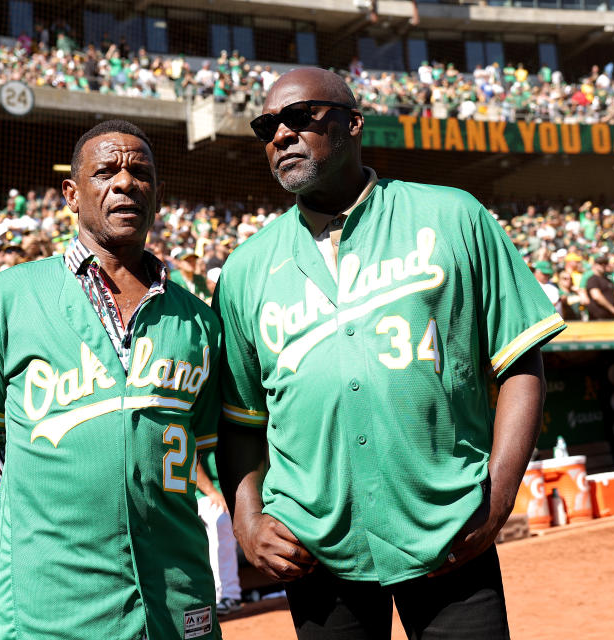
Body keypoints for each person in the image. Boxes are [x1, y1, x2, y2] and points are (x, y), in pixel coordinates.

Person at [214, 67, 565, 639]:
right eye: (266, 125)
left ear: (353, 124)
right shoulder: (245, 269)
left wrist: (498, 499)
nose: (280, 134)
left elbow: (520, 363)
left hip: (449, 531)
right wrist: (248, 522)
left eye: (300, 117)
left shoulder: (452, 216)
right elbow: (241, 420)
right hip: (316, 547)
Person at [0, 120, 222, 640]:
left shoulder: (198, 320)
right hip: (54, 596)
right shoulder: (6, 296)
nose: (124, 183)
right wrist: (31, 524)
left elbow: (204, 442)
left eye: (140, 172)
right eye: (106, 172)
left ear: (157, 195)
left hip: (177, 586)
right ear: (72, 194)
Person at [196, 453, 243, 616]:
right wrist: (212, 492)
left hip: (232, 491)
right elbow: (191, 461)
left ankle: (230, 595)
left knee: (221, 518)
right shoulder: (193, 426)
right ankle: (221, 594)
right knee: (220, 517)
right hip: (202, 493)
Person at [584, 255, 614, 320]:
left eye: (605, 263)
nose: (603, 265)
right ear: (595, 265)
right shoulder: (593, 279)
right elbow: (596, 296)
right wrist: (612, 309)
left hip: (611, 317)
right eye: (600, 263)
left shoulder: (608, 279)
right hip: (599, 318)